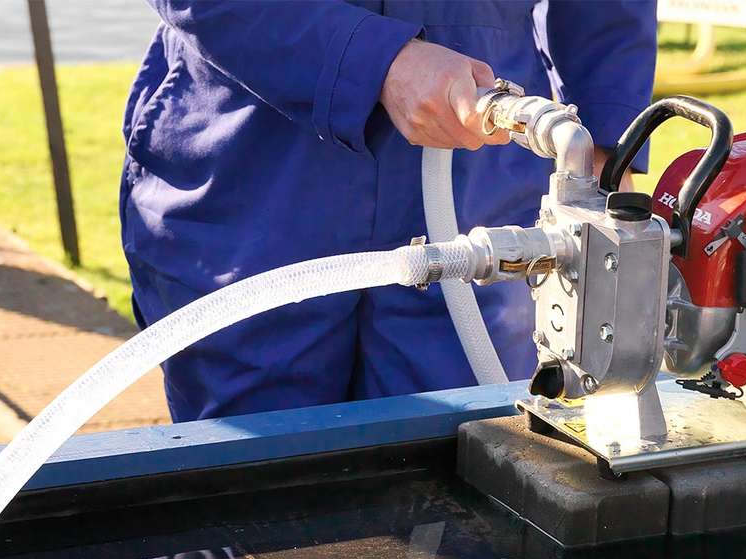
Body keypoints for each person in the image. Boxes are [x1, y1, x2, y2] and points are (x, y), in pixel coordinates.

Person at [120, 1, 656, 422]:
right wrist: (376, 61)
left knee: (462, 493)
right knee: (249, 503)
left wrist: (607, 141)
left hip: (482, 173)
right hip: (254, 173)